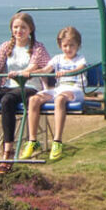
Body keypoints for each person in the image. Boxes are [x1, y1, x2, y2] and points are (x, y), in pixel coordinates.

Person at [0, 11, 50, 173]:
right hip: (10, 85)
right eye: (15, 27)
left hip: (30, 86)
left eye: (23, 27)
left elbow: (34, 66)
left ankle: (8, 151)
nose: (18, 31)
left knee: (7, 100)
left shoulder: (37, 47)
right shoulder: (6, 47)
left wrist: (23, 73)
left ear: (30, 29)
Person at [23, 25, 87, 162]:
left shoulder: (80, 59)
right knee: (34, 100)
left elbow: (81, 68)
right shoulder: (58, 59)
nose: (68, 49)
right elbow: (46, 69)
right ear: (60, 46)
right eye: (65, 46)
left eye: (72, 46)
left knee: (59, 99)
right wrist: (31, 73)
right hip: (59, 88)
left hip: (74, 89)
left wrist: (66, 73)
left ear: (78, 46)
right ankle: (33, 140)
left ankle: (57, 141)